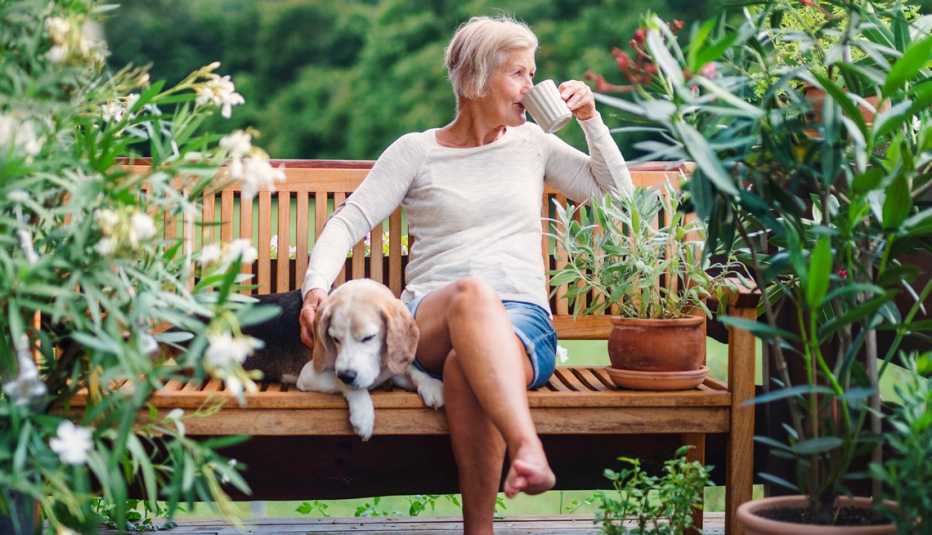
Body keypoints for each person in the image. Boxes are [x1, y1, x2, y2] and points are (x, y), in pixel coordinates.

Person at [298, 15, 632, 535]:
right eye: (519, 74)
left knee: (462, 368)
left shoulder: (533, 146)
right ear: (476, 80)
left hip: (522, 322)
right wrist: (316, 289)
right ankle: (528, 447)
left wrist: (591, 119)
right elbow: (348, 223)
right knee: (473, 295)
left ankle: (479, 531)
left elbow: (617, 200)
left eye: (533, 74)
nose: (532, 87)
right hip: (427, 318)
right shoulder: (417, 151)